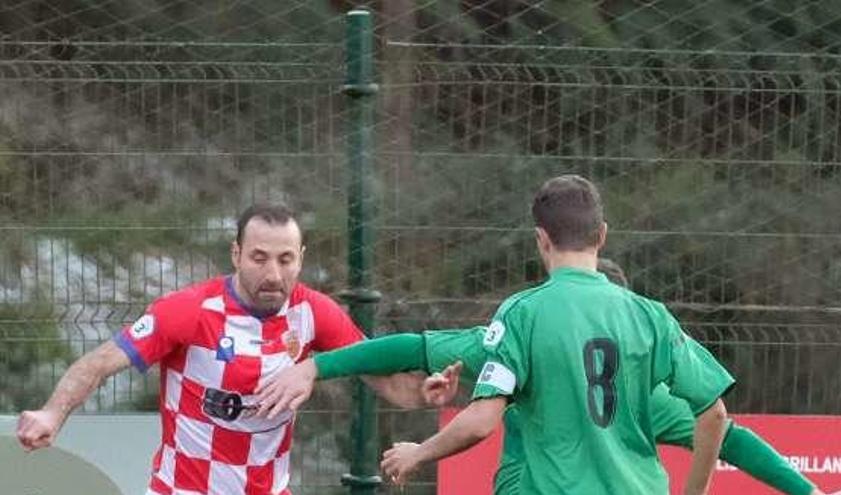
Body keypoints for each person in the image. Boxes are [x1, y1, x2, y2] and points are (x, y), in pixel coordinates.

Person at [261, 175, 732, 494]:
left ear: (541, 240)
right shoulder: (651, 317)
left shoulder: (523, 316)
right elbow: (714, 415)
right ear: (602, 235)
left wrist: (419, 452)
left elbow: (482, 420)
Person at [258, 257, 841, 495]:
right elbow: (727, 431)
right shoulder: (647, 382)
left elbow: (412, 347)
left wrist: (321, 363)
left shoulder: (518, 333)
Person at [16, 203, 430, 495]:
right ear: (236, 254)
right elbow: (100, 362)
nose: (273, 273)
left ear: (301, 259)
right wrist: (53, 411)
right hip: (183, 489)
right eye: (259, 257)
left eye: (285, 259)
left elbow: (388, 383)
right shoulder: (191, 311)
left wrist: (424, 392)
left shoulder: (314, 313)